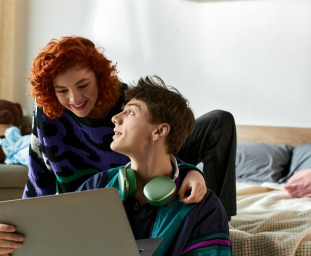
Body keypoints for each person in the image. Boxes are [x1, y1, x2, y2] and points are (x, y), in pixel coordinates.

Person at [0, 76, 237, 256]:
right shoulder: (97, 186)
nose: (115, 118)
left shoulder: (202, 208)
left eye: (130, 112)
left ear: (159, 131)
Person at [23, 36, 237, 218]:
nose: (74, 98)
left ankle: (218, 218)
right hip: (99, 198)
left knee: (219, 122)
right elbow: (38, 171)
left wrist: (191, 172)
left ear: (99, 77)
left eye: (83, 85)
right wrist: (28, 219)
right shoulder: (47, 109)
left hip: (150, 162)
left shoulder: (129, 102)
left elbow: (154, 152)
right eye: (62, 91)